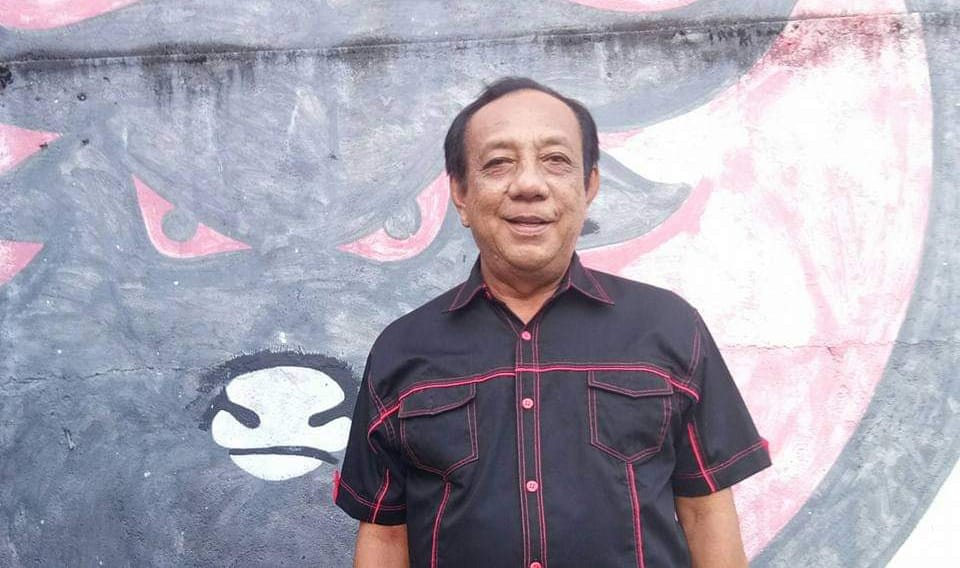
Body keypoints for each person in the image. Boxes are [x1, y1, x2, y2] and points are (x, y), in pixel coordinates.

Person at [334, 77, 771, 567]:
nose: (528, 185)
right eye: (499, 163)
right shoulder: (403, 349)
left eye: (555, 160)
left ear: (589, 187)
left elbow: (705, 511)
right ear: (460, 193)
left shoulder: (668, 328)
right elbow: (385, 535)